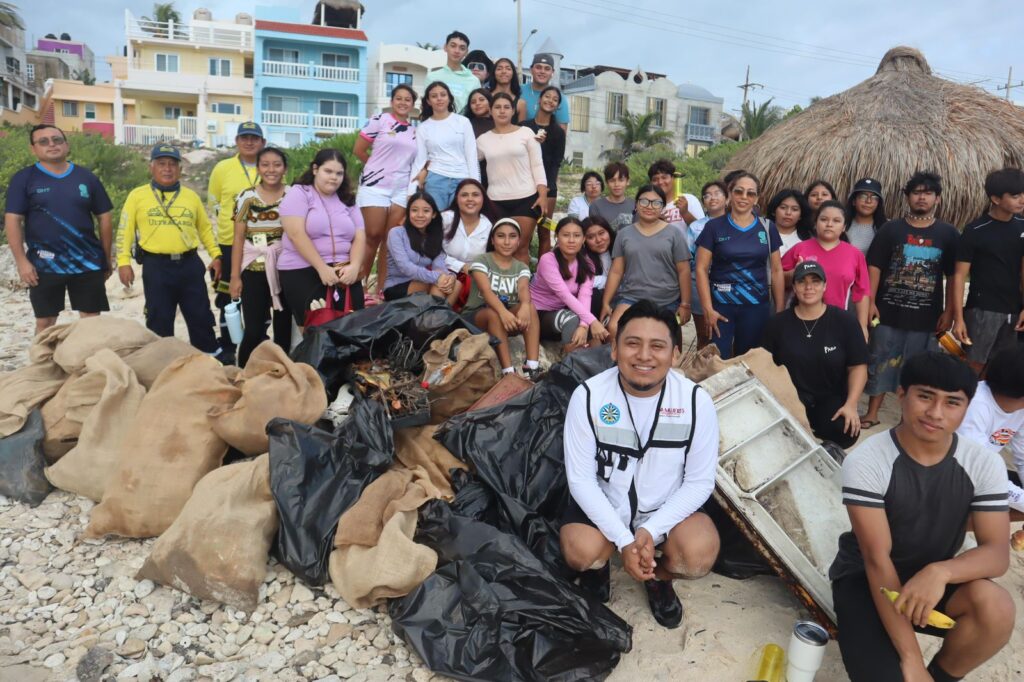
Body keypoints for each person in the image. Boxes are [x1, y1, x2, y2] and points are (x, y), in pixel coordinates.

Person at [829, 351, 1014, 682]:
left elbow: (997, 553)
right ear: (902, 395)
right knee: (896, 672)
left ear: (966, 408)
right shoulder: (868, 462)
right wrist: (910, 657)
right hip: (868, 582)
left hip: (930, 583)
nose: (935, 413)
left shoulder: (984, 464)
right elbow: (876, 560)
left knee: (996, 609)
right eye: (925, 396)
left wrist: (940, 571)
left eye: (952, 403)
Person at [560, 301, 720, 629]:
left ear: (675, 354)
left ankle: (657, 577)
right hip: (607, 506)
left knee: (699, 554)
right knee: (580, 551)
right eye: (632, 343)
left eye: (657, 346)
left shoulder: (695, 402)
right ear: (614, 350)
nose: (644, 355)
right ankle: (599, 567)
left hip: (663, 512)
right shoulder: (588, 396)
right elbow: (580, 480)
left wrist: (650, 530)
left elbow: (700, 483)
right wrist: (623, 539)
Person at [860, 171, 959, 430]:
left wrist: (949, 311)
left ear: (937, 198)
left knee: (919, 370)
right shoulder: (890, 229)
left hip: (927, 316)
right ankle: (872, 412)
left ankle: (908, 419)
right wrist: (870, 301)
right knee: (879, 360)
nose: (922, 197)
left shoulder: (948, 234)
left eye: (928, 193)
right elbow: (875, 267)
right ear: (908, 197)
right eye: (917, 192)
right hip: (887, 312)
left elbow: (954, 275)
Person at [5, 124, 113, 333]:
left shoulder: (87, 178)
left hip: (87, 262)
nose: (52, 144)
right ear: (33, 149)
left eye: (57, 139)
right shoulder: (24, 179)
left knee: (91, 321)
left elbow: (105, 217)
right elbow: (13, 220)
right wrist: (21, 262)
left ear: (67, 144)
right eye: (43, 141)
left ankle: (88, 363)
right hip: (44, 264)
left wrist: (105, 257)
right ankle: (43, 364)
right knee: (45, 322)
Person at [116, 145, 221, 355]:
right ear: (151, 167)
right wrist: (123, 262)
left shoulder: (191, 197)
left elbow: (205, 229)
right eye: (162, 164)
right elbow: (125, 230)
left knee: (200, 315)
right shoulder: (137, 196)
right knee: (159, 317)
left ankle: (209, 360)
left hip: (190, 264)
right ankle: (160, 363)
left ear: (180, 169)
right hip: (156, 266)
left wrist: (216, 255)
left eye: (173, 164)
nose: (167, 169)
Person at [763, 262, 869, 448]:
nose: (809, 287)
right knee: (781, 438)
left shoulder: (844, 321)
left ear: (825, 286)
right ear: (794, 287)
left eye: (815, 281)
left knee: (845, 429)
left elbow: (858, 366)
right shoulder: (777, 324)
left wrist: (851, 405)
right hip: (791, 397)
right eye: (802, 282)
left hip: (830, 397)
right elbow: (763, 366)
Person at [695, 172, 785, 359]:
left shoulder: (768, 228)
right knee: (717, 362)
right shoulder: (714, 227)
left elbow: (777, 270)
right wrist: (707, 308)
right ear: (730, 194)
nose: (744, 197)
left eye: (750, 193)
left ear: (757, 198)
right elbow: (701, 269)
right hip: (721, 306)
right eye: (739, 191)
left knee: (750, 363)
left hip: (756, 307)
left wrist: (780, 310)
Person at [278, 149, 365, 329]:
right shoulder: (299, 193)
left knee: (353, 327)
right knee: (316, 331)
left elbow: (359, 235)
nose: (334, 177)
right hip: (302, 268)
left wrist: (355, 266)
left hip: (343, 271)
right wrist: (321, 268)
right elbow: (295, 233)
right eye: (328, 171)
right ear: (315, 169)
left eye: (339, 173)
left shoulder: (347, 199)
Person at [951, 167, 1024, 374]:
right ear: (996, 198)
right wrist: (959, 318)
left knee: (1000, 368)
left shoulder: (1022, 226)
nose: (1022, 200)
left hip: (1013, 309)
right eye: (1015, 195)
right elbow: (959, 275)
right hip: (982, 309)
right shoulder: (975, 230)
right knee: (973, 365)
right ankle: (966, 405)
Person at [228, 146, 293, 367]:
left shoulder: (293, 195)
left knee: (283, 326)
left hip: (285, 268)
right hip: (253, 270)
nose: (271, 169)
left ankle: (282, 373)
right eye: (265, 164)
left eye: (277, 164)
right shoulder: (246, 197)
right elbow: (238, 238)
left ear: (284, 168)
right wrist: (235, 277)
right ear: (258, 168)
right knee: (254, 328)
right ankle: (243, 373)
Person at [207, 121, 265, 363]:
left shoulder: (268, 165)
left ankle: (259, 341)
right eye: (244, 137)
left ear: (263, 142)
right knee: (228, 296)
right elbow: (213, 202)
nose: (249, 142)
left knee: (259, 294)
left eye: (254, 138)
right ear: (236, 141)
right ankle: (229, 346)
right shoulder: (223, 168)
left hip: (261, 244)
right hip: (230, 243)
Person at [354, 84, 419, 297]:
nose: (402, 102)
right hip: (375, 187)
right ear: (392, 101)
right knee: (372, 236)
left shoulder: (414, 131)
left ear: (412, 104)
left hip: (400, 190)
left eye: (407, 99)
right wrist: (376, 168)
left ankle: (382, 289)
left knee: (390, 242)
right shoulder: (379, 120)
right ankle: (359, 285)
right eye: (398, 98)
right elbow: (359, 150)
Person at [601, 185, 692, 335]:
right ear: (636, 204)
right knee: (614, 328)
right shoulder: (624, 234)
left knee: (668, 336)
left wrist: (685, 304)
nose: (649, 206)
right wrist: (605, 302)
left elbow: (684, 271)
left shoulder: (674, 234)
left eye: (656, 203)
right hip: (632, 297)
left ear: (662, 207)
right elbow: (616, 271)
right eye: (644, 201)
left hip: (667, 300)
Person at [462, 218, 540, 378]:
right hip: (478, 319)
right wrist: (503, 313)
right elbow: (486, 291)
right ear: (492, 239)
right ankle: (508, 373)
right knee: (494, 313)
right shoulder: (482, 260)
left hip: (507, 320)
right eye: (501, 236)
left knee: (529, 308)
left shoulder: (521, 266)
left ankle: (532, 367)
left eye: (512, 236)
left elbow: (523, 288)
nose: (506, 242)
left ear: (519, 241)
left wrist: (525, 305)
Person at [475, 92, 547, 264]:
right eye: (497, 107)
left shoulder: (527, 133)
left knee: (521, 248)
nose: (502, 111)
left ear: (513, 111)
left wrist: (542, 195)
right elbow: (469, 164)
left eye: (506, 107)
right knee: (499, 249)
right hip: (495, 201)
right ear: (490, 111)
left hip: (526, 198)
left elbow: (537, 165)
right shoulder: (483, 140)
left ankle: (522, 290)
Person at [782, 200, 871, 339]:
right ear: (815, 223)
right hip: (798, 320)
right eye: (824, 219)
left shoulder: (855, 255)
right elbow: (776, 279)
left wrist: (863, 327)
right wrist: (794, 273)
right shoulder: (800, 248)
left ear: (844, 227)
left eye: (836, 221)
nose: (829, 224)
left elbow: (862, 293)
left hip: (836, 322)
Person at [956, 346, 1024, 519]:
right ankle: (950, 531)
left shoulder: (1019, 408)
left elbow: (1023, 458)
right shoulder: (975, 404)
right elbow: (979, 471)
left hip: (981, 470)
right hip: (951, 473)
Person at [530, 217, 608, 352]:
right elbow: (564, 294)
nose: (571, 240)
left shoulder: (587, 264)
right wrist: (592, 322)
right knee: (574, 320)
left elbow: (585, 295)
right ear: (557, 237)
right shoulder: (548, 260)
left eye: (577, 235)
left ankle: (595, 364)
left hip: (561, 309)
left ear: (583, 239)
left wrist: (584, 325)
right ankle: (570, 364)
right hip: (538, 313)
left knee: (590, 308)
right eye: (566, 235)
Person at [410, 81, 480, 212]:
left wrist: (475, 185)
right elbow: (420, 160)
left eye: (443, 95)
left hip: (462, 179)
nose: (439, 98)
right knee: (436, 223)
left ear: (449, 98)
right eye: (434, 96)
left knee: (459, 223)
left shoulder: (463, 122)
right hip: (435, 180)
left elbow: (471, 155)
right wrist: (410, 191)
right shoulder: (423, 128)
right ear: (429, 101)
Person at [383, 192, 459, 305]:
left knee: (456, 284)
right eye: (414, 210)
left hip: (423, 281)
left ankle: (435, 320)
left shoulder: (435, 237)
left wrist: (450, 278)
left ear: (433, 214)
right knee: (431, 284)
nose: (420, 215)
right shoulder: (396, 233)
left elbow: (439, 267)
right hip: (397, 286)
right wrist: (437, 278)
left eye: (426, 211)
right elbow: (406, 267)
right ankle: (434, 319)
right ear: (408, 213)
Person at [688, 180, 728, 349]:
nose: (712, 198)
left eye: (717, 193)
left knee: (725, 331)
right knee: (704, 333)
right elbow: (688, 255)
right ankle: (700, 372)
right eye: (707, 195)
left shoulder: (736, 224)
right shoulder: (696, 226)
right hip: (698, 283)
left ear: (727, 199)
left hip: (727, 284)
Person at [523, 86, 567, 230]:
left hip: (548, 189)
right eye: (547, 96)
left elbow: (556, 163)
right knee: (524, 230)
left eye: (555, 100)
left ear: (557, 106)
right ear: (539, 99)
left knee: (545, 229)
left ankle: (549, 250)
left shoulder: (559, 133)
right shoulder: (524, 127)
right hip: (524, 186)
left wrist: (547, 187)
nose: (550, 101)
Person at [425, 30, 479, 112]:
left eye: (462, 48)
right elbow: (426, 107)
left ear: (466, 52)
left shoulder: (474, 81)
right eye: (453, 46)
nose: (457, 51)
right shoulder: (432, 77)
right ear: (445, 47)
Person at [647, 159, 705, 226]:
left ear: (673, 179)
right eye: (655, 179)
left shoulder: (689, 199)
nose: (660, 182)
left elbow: (702, 230)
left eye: (664, 177)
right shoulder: (649, 206)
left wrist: (685, 213)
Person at [519, 53, 568, 129]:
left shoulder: (558, 97)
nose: (542, 71)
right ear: (531, 70)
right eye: (538, 67)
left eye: (547, 69)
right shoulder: (518, 91)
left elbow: (561, 134)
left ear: (552, 72)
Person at [583, 215, 614, 321]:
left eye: (601, 233)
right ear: (584, 240)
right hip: (596, 306)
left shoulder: (621, 250)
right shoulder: (583, 257)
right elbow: (581, 282)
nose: (598, 240)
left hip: (622, 300)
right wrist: (611, 281)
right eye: (591, 237)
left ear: (609, 231)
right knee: (593, 294)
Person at [845, 177, 886, 256]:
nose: (868, 201)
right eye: (863, 196)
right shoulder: (841, 225)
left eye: (874, 198)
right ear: (854, 201)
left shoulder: (886, 227)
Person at [589, 162, 636, 231]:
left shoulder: (636, 205)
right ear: (606, 183)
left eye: (621, 180)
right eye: (612, 181)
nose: (616, 184)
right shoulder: (596, 206)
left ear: (628, 181)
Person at [765, 188, 811, 255]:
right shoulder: (761, 234)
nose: (788, 213)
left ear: (801, 215)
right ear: (773, 211)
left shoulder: (807, 240)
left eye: (794, 209)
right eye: (783, 207)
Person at [485, 57, 527, 122]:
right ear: (494, 73)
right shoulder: (485, 99)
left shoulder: (520, 103)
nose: (504, 71)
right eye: (499, 69)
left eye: (508, 69)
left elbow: (521, 130)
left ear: (513, 73)